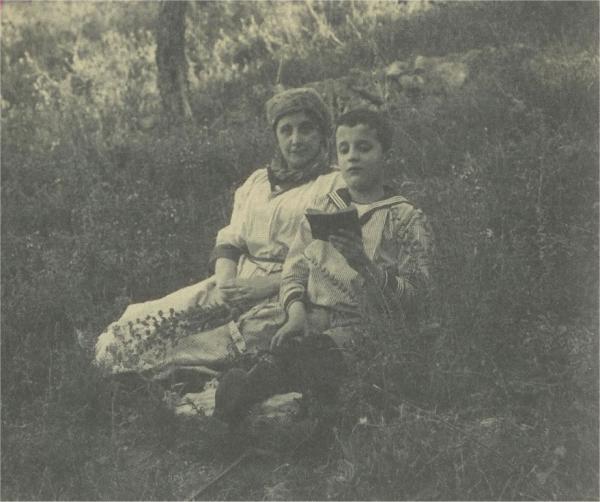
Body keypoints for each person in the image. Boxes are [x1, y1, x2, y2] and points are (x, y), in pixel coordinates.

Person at [94, 87, 344, 378]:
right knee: (145, 323)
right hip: (238, 283)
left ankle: (173, 372)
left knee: (223, 339)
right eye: (286, 130)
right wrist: (226, 284)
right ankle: (139, 363)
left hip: (292, 292)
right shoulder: (258, 182)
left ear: (323, 133)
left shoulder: (334, 184)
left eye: (306, 129)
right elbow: (230, 239)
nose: (295, 140)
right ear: (276, 136)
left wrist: (267, 285)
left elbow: (330, 261)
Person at [214, 108, 435, 425]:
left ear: (385, 154)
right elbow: (294, 270)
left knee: (314, 357)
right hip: (313, 318)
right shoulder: (323, 208)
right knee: (280, 346)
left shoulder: (405, 218)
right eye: (344, 149)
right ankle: (249, 401)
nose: (352, 157)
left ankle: (285, 406)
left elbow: (418, 295)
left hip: (367, 326)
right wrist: (295, 313)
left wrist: (364, 265)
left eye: (364, 147)